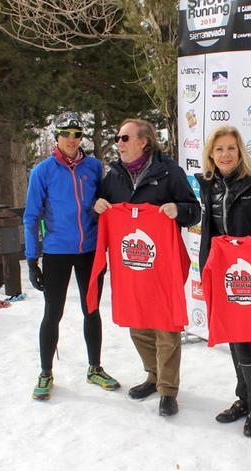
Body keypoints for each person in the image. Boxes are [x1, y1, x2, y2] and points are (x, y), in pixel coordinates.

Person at [92, 118, 200, 417]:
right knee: (138, 325)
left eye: (124, 138)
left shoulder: (169, 172)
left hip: (162, 268)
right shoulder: (113, 176)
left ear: (144, 142)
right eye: (117, 138)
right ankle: (152, 376)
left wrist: (178, 210)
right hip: (131, 268)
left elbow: (194, 211)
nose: (119, 143)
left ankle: (168, 389)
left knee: (165, 327)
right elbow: (99, 208)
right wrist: (98, 206)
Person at [24, 111, 119, 401]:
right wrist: (31, 259)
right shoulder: (43, 171)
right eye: (65, 133)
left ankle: (95, 368)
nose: (71, 139)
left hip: (89, 250)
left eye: (77, 134)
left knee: (92, 310)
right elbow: (31, 216)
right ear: (57, 136)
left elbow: (105, 205)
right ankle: (45, 372)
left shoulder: (93, 166)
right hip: (56, 252)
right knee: (53, 313)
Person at [195, 125, 251, 437]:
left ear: (240, 151)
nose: (225, 154)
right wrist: (206, 270)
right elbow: (209, 231)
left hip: (250, 276)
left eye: (231, 148)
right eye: (219, 149)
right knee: (232, 336)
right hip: (221, 272)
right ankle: (244, 399)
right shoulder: (209, 185)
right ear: (211, 155)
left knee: (244, 339)